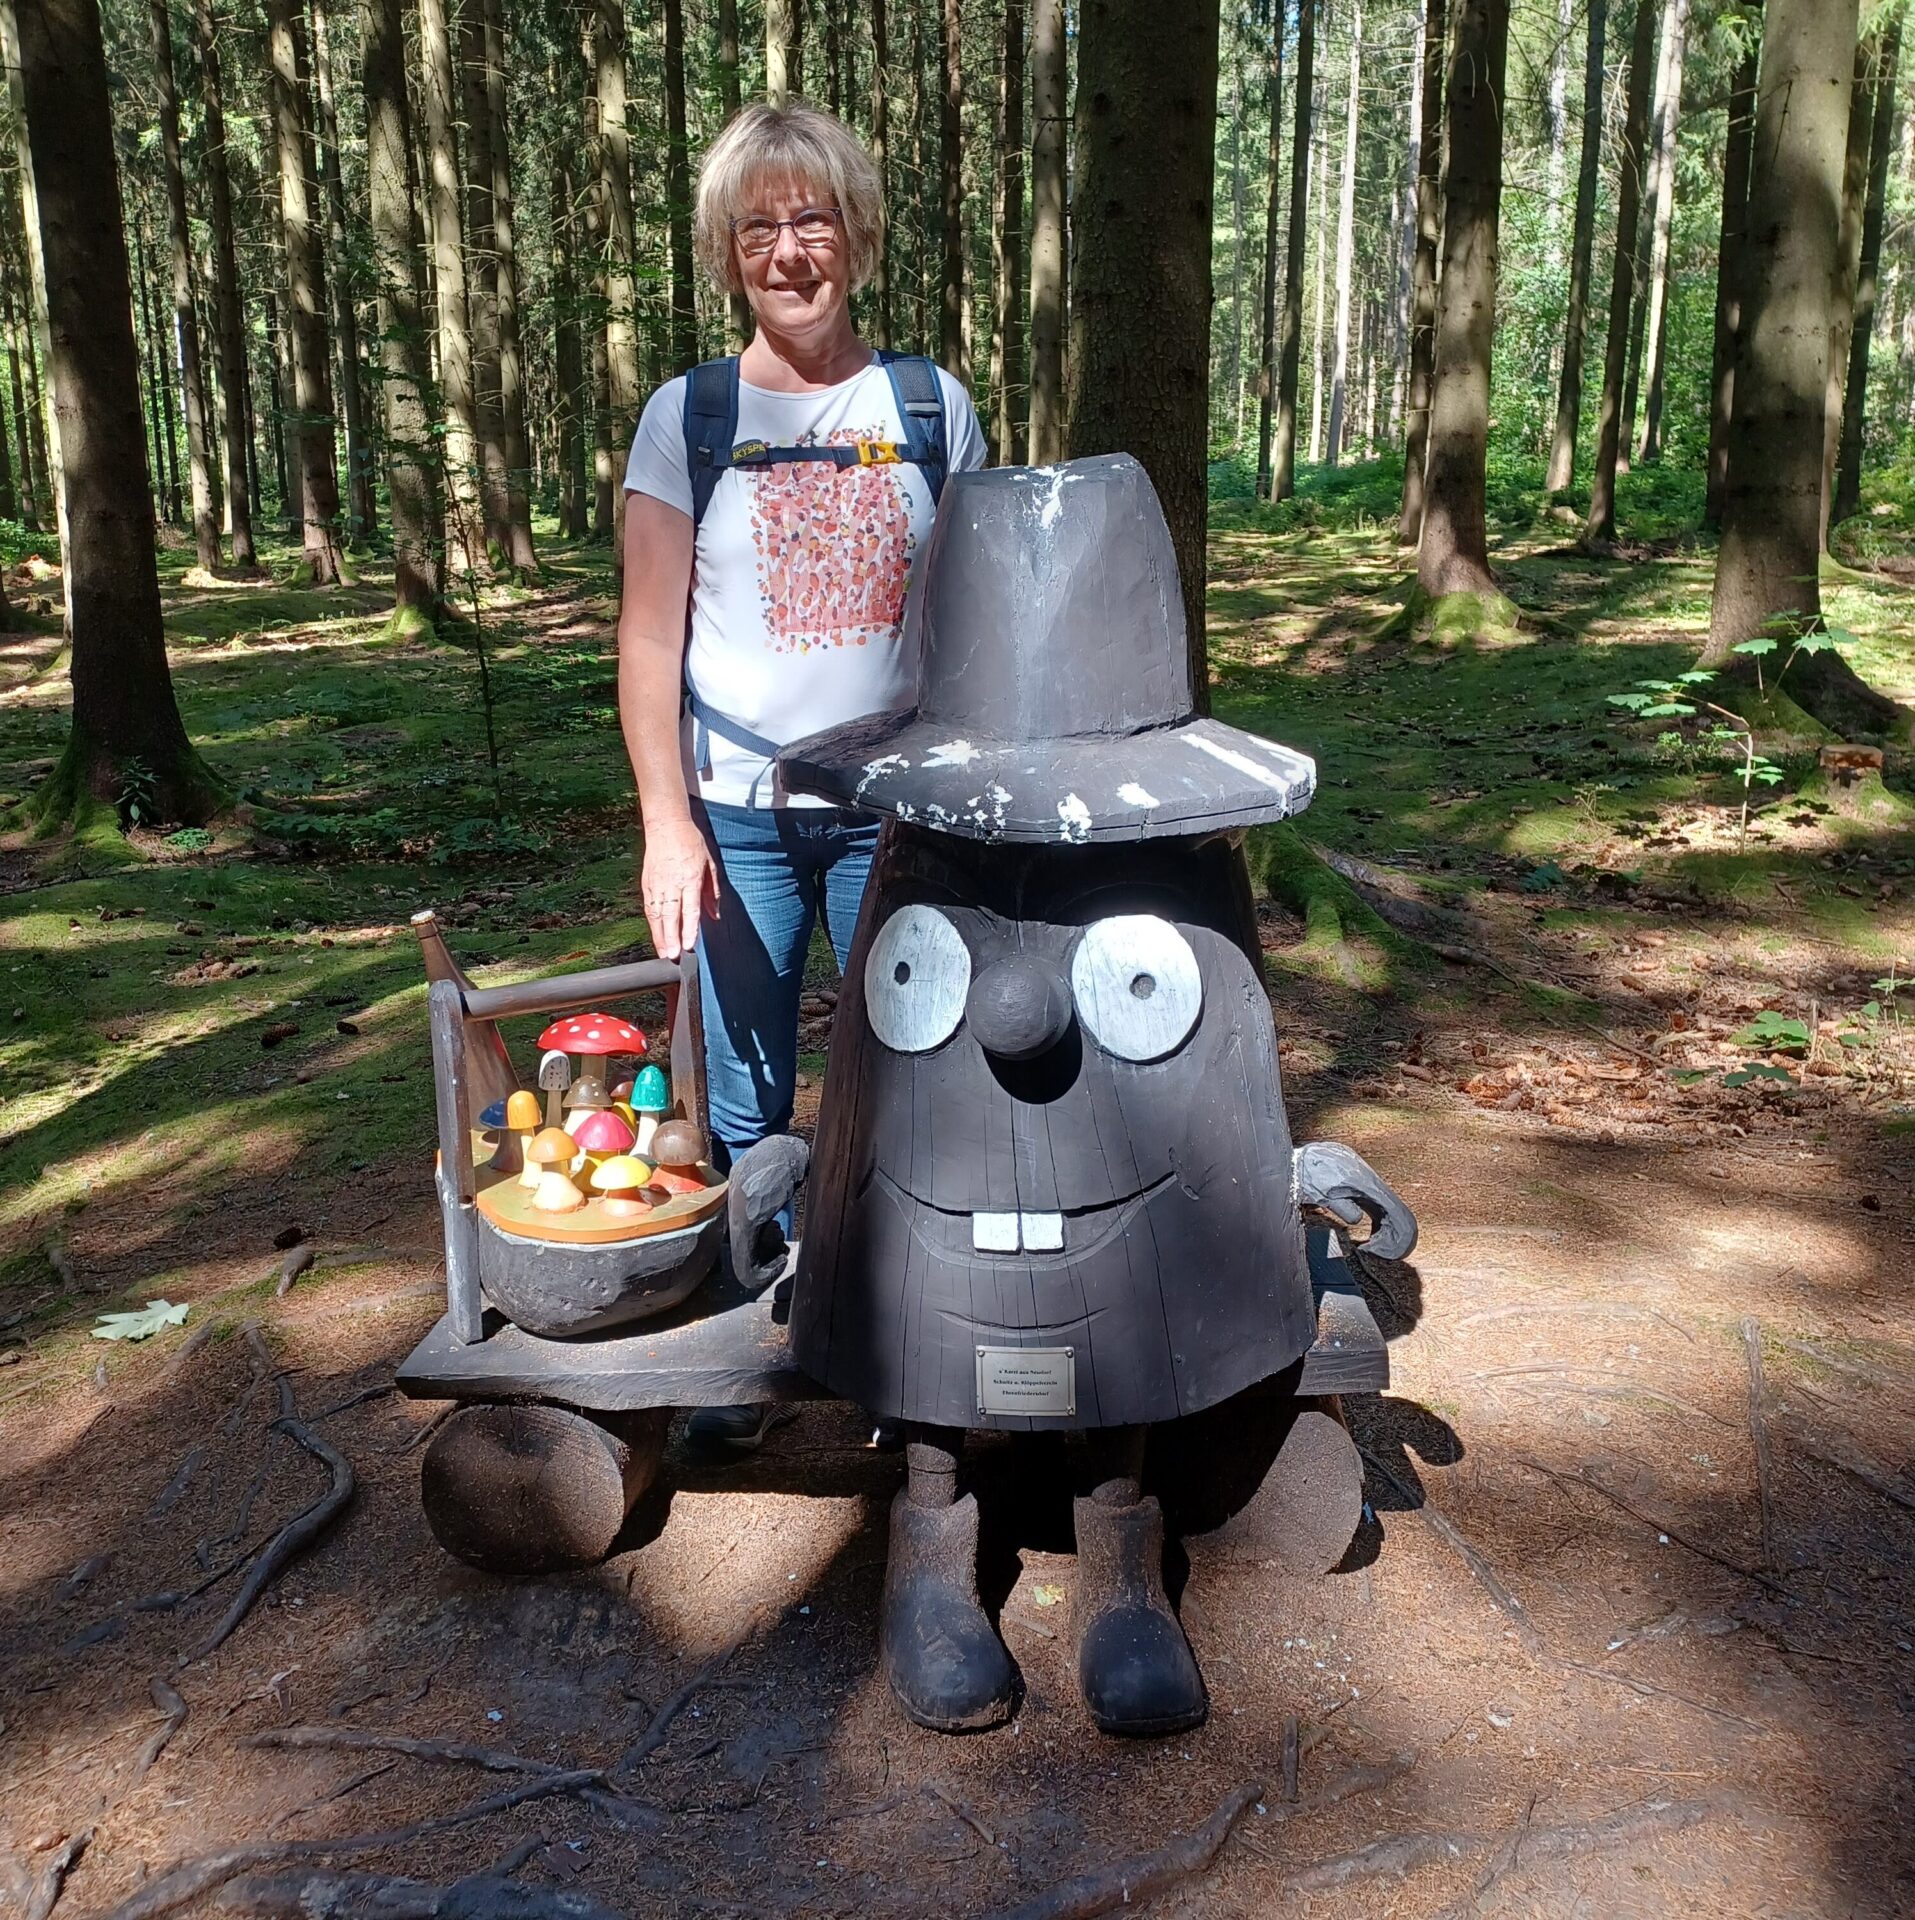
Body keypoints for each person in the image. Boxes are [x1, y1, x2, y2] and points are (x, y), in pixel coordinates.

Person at [616, 100, 986, 1452]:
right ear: (729, 254)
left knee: (923, 1077)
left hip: (900, 820)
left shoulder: (931, 407)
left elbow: (983, 620)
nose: (789, 251)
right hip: (740, 819)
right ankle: (751, 1348)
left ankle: (910, 1343)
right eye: (758, 228)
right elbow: (647, 638)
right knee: (745, 1097)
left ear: (858, 234)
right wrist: (667, 824)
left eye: (812, 219)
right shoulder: (690, 417)